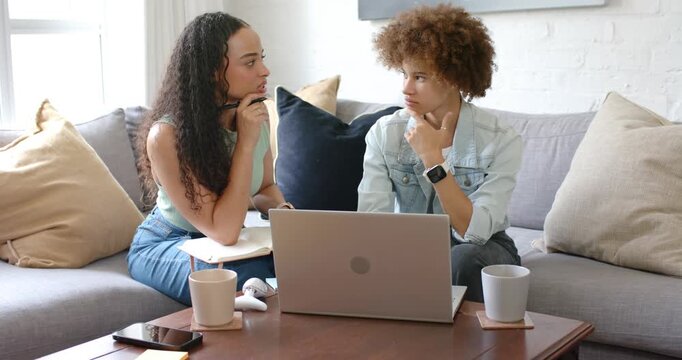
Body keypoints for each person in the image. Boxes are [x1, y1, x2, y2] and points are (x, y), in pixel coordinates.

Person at [357, 4, 523, 302]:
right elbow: (371, 225)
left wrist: (433, 159)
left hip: (483, 248)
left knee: (462, 258)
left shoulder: (500, 140)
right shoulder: (385, 133)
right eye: (404, 74)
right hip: (411, 246)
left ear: (454, 78)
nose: (406, 88)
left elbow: (474, 232)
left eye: (420, 77)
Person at [127, 12, 292, 306]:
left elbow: (264, 188)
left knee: (308, 262)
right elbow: (224, 231)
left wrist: (283, 212)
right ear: (212, 71)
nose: (265, 71)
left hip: (225, 244)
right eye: (250, 62)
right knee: (244, 278)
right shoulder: (166, 136)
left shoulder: (256, 113)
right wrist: (245, 143)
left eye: (261, 59)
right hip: (168, 241)